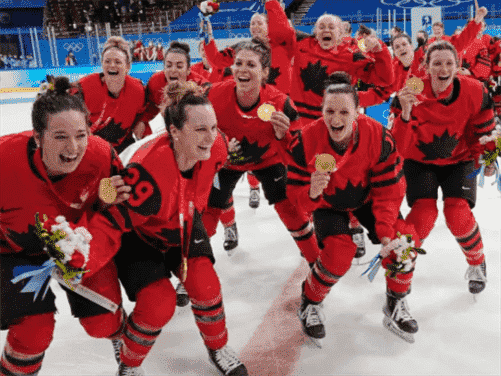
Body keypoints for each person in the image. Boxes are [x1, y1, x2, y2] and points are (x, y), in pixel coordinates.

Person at [113, 81, 249, 376]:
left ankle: (218, 347)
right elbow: (110, 218)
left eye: (214, 128)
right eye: (201, 130)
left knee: (206, 285)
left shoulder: (218, 147)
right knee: (158, 304)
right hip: (138, 236)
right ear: (174, 131)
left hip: (183, 221)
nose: (211, 137)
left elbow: (213, 173)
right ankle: (129, 363)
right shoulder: (145, 171)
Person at [0, 76, 130, 376]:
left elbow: (110, 197)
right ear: (37, 137)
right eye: (60, 136)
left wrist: (105, 200)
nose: (74, 148)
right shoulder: (4, 161)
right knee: (34, 332)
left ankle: (114, 333)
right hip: (17, 253)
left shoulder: (101, 155)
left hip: (77, 245)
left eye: (81, 135)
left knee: (103, 324)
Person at [286, 71, 421, 345]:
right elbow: (295, 197)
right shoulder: (305, 141)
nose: (336, 120)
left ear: (357, 110)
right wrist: (311, 193)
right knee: (338, 255)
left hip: (369, 200)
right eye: (329, 111)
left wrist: (385, 230)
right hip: (328, 204)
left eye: (344, 112)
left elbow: (390, 190)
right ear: (321, 110)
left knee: (403, 243)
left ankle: (395, 301)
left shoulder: (377, 136)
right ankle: (310, 301)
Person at [203, 39, 321, 268]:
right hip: (227, 163)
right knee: (209, 209)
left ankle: (316, 262)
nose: (243, 69)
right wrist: (217, 144)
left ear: (265, 72)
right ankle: (189, 270)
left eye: (251, 64)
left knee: (289, 207)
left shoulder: (281, 103)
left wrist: (282, 136)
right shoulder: (213, 96)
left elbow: (298, 152)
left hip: (269, 160)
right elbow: (195, 131)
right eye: (238, 63)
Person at [391, 41, 496, 295]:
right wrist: (404, 111)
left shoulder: (475, 90)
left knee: (457, 214)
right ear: (425, 67)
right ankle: (399, 277)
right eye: (436, 63)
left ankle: (477, 263)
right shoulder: (413, 89)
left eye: (449, 63)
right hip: (419, 162)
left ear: (458, 66)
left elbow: (484, 128)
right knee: (422, 217)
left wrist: (489, 157)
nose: (443, 68)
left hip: (458, 161)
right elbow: (398, 144)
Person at [75, 36, 146, 154]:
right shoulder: (85, 87)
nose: (112, 65)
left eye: (118, 62)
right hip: (88, 149)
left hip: (122, 148)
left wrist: (142, 122)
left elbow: (146, 110)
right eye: (107, 61)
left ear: (128, 66)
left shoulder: (137, 90)